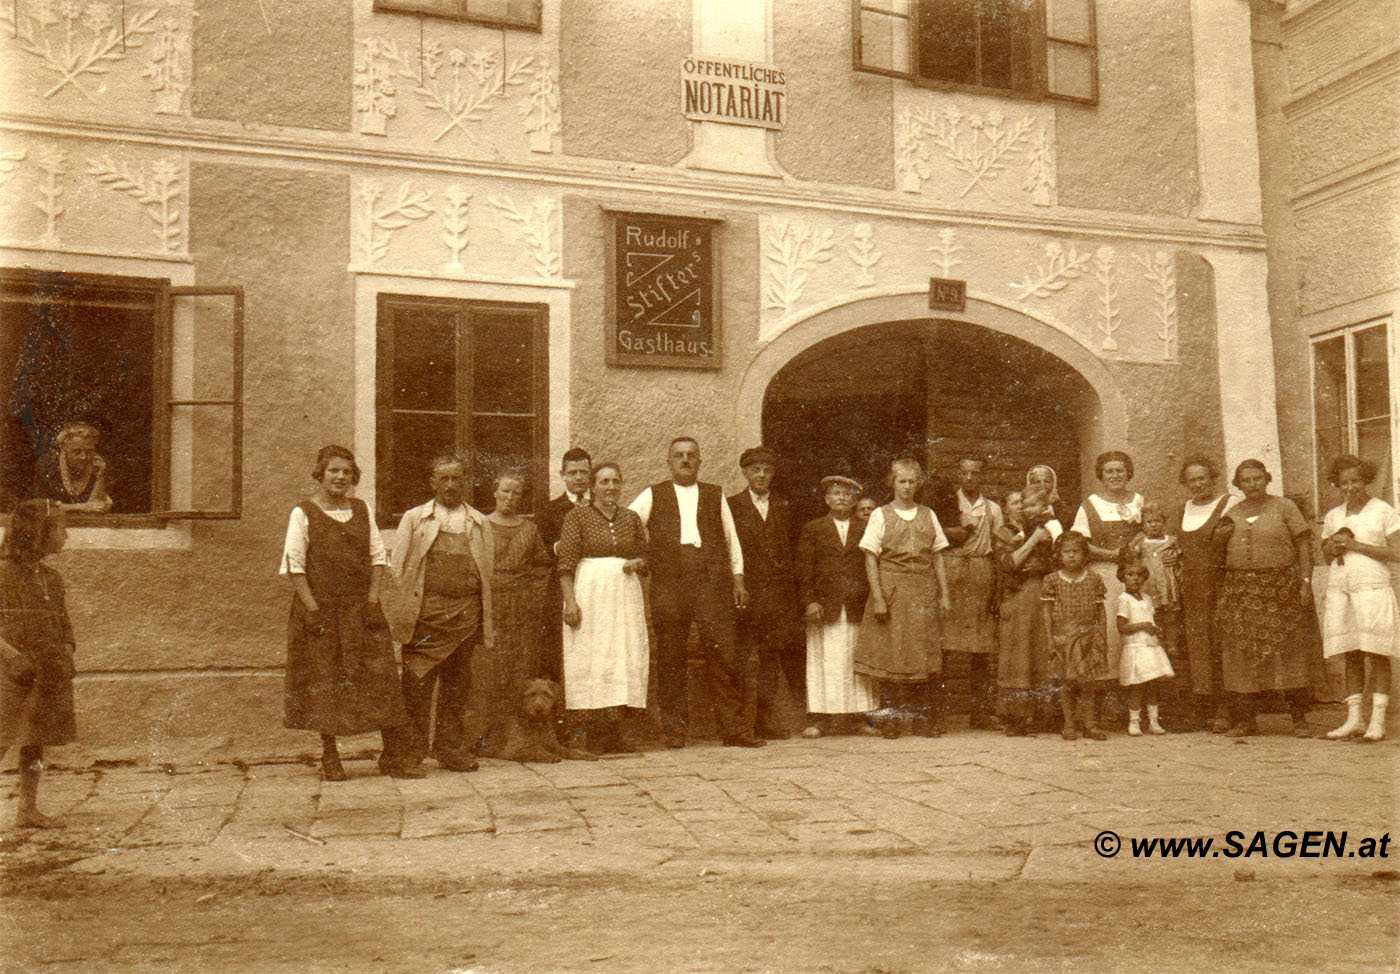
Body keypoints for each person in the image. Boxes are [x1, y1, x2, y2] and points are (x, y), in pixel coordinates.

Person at [280, 446, 416, 780]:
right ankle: (330, 756)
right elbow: (295, 566)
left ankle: (392, 756)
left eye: (346, 472)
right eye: (333, 471)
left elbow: (376, 556)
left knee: (381, 677)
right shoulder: (303, 513)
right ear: (320, 474)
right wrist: (312, 611)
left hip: (361, 611)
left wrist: (372, 602)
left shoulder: (361, 508)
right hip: (322, 613)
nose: (340, 477)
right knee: (326, 679)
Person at [629, 437, 762, 748]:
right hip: (670, 583)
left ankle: (733, 729)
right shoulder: (653, 494)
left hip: (711, 582)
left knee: (723, 653)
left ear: (700, 462)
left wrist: (738, 580)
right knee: (671, 656)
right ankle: (674, 731)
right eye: (679, 456)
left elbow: (732, 541)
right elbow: (627, 524)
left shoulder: (715, 495)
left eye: (691, 456)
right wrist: (644, 556)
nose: (685, 460)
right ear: (669, 462)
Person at [386, 454, 495, 772]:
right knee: (416, 687)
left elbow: (485, 573)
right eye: (443, 479)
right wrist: (417, 606)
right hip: (425, 618)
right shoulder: (415, 518)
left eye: (456, 478)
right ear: (432, 483)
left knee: (457, 687)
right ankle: (410, 752)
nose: (450, 485)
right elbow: (399, 568)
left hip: (465, 617)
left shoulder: (478, 522)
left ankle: (449, 749)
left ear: (465, 482)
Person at [1214, 459, 1316, 737]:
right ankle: (1247, 720)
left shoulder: (1284, 507)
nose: (1252, 484)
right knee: (1242, 654)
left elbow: (1304, 545)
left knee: (1288, 652)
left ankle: (1299, 720)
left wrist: (1306, 581)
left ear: (1267, 479)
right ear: (1238, 484)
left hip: (1279, 588)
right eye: (1246, 480)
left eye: (1258, 478)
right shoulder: (1232, 513)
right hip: (1241, 590)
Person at [855, 458, 952, 738]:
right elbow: (870, 558)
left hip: (923, 591)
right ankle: (891, 722)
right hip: (892, 591)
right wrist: (878, 598)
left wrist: (944, 595)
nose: (907, 487)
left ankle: (923, 721)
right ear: (892, 482)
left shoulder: (928, 514)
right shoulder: (880, 515)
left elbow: (938, 556)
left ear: (918, 484)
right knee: (892, 658)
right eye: (902, 481)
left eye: (912, 482)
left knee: (924, 659)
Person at [558, 462, 650, 753]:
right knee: (589, 657)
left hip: (624, 597)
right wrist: (570, 601)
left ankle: (613, 734)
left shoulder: (631, 518)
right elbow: (565, 565)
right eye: (604, 482)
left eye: (616, 481)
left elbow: (645, 557)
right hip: (590, 593)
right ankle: (583, 734)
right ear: (593, 487)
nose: (611, 487)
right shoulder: (577, 517)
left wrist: (638, 563)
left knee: (621, 656)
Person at [0, 500, 76, 826]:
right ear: (38, 533)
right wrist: (11, 656)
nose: (67, 536)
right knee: (2, 737)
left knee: (35, 740)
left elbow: (62, 622)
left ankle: (27, 808)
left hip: (45, 672)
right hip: (11, 672)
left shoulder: (52, 578)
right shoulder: (3, 575)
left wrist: (67, 650)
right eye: (61, 528)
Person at [1319, 454, 1398, 742]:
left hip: (1372, 589)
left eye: (1355, 481)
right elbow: (1325, 555)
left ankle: (1377, 720)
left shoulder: (1382, 511)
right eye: (1343, 483)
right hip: (1342, 589)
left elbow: (1397, 553)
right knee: (1351, 652)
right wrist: (1333, 548)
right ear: (1336, 485)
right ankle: (1354, 718)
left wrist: (1355, 545)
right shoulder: (1333, 515)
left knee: (1376, 653)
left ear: (1366, 480)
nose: (1350, 487)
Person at [728, 447, 803, 739]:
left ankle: (765, 719)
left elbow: (793, 551)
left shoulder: (785, 506)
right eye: (755, 470)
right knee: (744, 656)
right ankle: (742, 722)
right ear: (745, 473)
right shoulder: (732, 506)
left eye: (766, 470)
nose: (761, 475)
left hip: (777, 596)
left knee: (771, 657)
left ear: (773, 474)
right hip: (746, 593)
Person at [797, 474, 878, 738]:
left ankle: (860, 718)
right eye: (835, 494)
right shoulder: (814, 528)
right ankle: (821, 718)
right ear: (826, 499)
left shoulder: (866, 528)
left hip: (857, 604)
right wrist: (809, 600)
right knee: (824, 660)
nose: (841, 499)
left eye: (847, 495)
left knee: (857, 660)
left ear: (855, 501)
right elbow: (804, 569)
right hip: (825, 605)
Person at [477, 470, 551, 748]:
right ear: (494, 492)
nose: (509, 498)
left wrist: (532, 599)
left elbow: (542, 567)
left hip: (522, 609)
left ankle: (518, 736)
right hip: (489, 606)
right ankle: (486, 737)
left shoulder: (529, 530)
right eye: (505, 491)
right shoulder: (481, 526)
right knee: (490, 672)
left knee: (519, 670)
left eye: (516, 493)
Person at [1168, 458, 1233, 732]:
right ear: (1186, 483)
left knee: (1220, 645)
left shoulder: (1229, 504)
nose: (1198, 484)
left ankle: (1225, 709)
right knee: (1194, 647)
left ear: (1213, 478)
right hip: (1190, 588)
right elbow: (1171, 544)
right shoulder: (1181, 510)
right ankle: (1201, 708)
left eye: (1202, 478)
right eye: (1192, 480)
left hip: (1220, 585)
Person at [1072, 451, 1144, 693]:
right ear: (1101, 475)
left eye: (1120, 470)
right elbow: (1081, 544)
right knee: (1111, 633)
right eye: (1109, 471)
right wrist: (1113, 555)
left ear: (1128, 473)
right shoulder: (1090, 504)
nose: (1115, 475)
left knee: (1137, 634)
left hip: (1136, 576)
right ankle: (1109, 696)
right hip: (1104, 576)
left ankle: (1135, 697)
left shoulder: (1139, 502)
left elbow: (1150, 532)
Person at [940, 456, 1004, 729]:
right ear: (958, 474)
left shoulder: (993, 508)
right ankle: (940, 713)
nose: (969, 478)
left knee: (981, 646)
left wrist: (997, 587)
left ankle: (979, 713)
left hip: (980, 572)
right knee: (945, 643)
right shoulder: (948, 503)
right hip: (953, 571)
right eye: (965, 472)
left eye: (975, 473)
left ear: (982, 476)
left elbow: (1000, 546)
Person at [995, 487, 1060, 736]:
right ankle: (1016, 716)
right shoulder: (1004, 534)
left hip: (1042, 592)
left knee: (1042, 651)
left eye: (1026, 503)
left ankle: (1045, 715)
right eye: (1016, 502)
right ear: (1007, 508)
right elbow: (1009, 563)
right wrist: (1034, 539)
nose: (1021, 507)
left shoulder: (1047, 526)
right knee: (1017, 654)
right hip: (1018, 596)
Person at [1040, 531, 1111, 740]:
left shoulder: (1094, 579)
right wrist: (1049, 637)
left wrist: (1102, 635)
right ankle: (1069, 724)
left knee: (1088, 683)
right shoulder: (1052, 580)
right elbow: (1046, 610)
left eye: (1076, 551)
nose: (1071, 556)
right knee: (1066, 682)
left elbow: (1100, 611)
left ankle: (1090, 724)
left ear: (1084, 554)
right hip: (1063, 638)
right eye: (1066, 552)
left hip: (1088, 637)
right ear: (1059, 555)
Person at [537, 447, 593, 683]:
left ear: (590, 474)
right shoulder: (550, 510)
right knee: (557, 643)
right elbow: (542, 551)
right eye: (573, 473)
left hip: (594, 582)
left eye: (583, 472)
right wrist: (565, 546)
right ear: (563, 475)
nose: (579, 477)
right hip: (561, 585)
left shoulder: (602, 506)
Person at [1116, 559, 1174, 736]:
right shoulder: (1123, 599)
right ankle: (1134, 722)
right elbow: (1122, 627)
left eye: (1140, 575)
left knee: (1152, 686)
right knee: (1138, 686)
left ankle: (1153, 722)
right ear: (1123, 578)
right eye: (1130, 575)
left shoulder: (1147, 599)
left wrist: (1155, 629)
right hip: (1135, 648)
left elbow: (1150, 620)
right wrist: (1143, 625)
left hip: (1150, 647)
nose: (1136, 579)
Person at [36, 422, 111, 513]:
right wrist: (81, 507)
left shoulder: (98, 465)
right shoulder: (48, 465)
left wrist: (100, 476)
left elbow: (95, 507)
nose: (84, 457)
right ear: (64, 448)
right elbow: (41, 508)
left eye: (89, 451)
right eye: (77, 452)